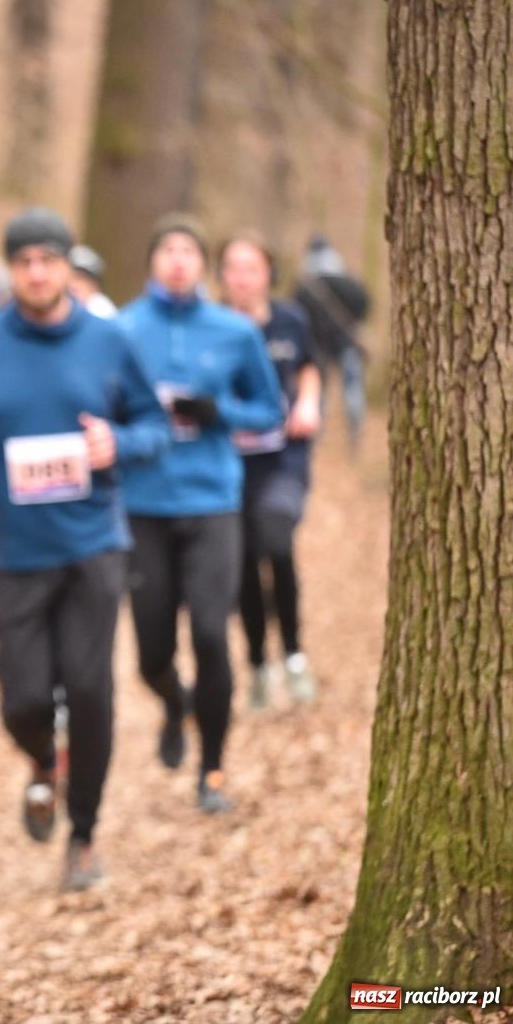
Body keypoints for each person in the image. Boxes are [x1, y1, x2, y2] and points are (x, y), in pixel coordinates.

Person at [0, 207, 170, 891]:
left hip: (92, 546)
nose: (37, 273)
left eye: (49, 260)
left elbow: (154, 426)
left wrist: (118, 443)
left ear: (70, 266)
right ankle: (44, 758)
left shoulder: (110, 340)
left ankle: (83, 834)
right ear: (9, 269)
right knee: (21, 700)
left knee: (91, 689)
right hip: (13, 549)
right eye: (24, 262)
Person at [116, 213, 284, 814]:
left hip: (213, 501)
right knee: (151, 653)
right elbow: (101, 406)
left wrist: (221, 412)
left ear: (203, 264)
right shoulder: (122, 329)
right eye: (168, 250)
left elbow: (270, 409)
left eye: (190, 250)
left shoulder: (235, 333)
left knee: (212, 635)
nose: (179, 260)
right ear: (152, 261)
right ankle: (173, 702)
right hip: (143, 507)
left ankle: (211, 770)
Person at [218, 233, 321, 707]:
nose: (241, 277)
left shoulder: (290, 321)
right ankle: (259, 663)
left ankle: (295, 655)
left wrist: (308, 403)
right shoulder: (210, 325)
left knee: (275, 544)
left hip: (282, 460)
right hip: (226, 465)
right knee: (240, 564)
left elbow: (309, 368)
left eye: (250, 267)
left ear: (268, 273)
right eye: (232, 268)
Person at [293, 235, 371, 452]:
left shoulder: (305, 287)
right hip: (346, 344)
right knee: (352, 391)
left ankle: (315, 437)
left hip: (319, 347)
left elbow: (297, 316)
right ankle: (355, 435)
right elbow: (364, 303)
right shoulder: (347, 281)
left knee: (320, 393)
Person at [68, 243, 119, 320]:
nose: (73, 284)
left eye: (80, 278)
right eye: (69, 277)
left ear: (95, 285)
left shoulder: (102, 312)